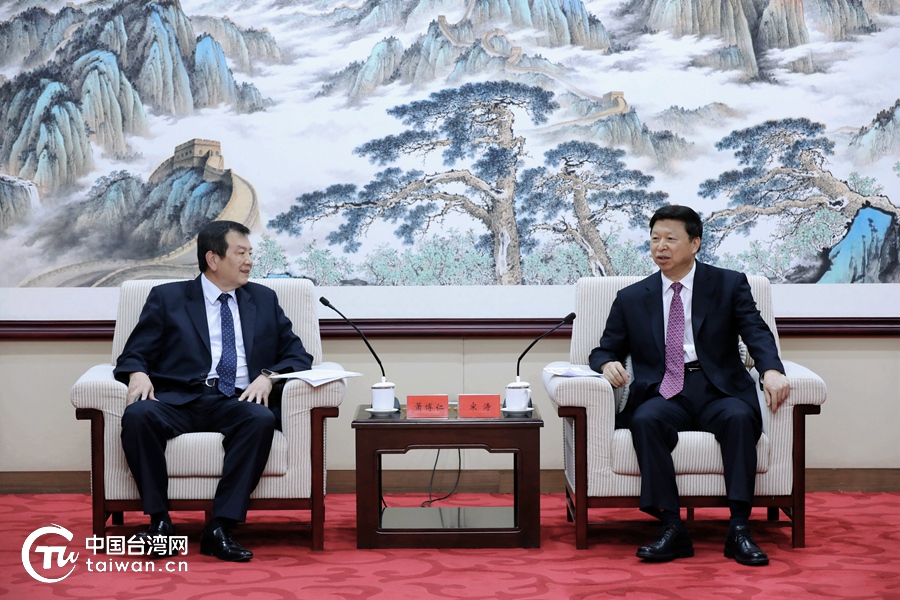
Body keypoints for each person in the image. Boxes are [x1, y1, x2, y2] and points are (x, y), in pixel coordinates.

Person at [589, 205, 790, 566]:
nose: (660, 246)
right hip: (666, 390)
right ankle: (671, 527)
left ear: (695, 243)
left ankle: (740, 528)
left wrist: (771, 370)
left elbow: (756, 332)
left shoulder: (729, 284)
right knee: (645, 420)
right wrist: (606, 363)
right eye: (654, 238)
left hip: (719, 388)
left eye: (670, 238)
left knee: (739, 418)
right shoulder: (632, 298)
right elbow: (604, 349)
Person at [115, 220, 313, 562]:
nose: (249, 261)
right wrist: (137, 373)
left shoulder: (263, 299)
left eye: (250, 253)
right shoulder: (168, 298)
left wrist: (268, 376)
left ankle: (220, 527)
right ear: (213, 258)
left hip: (236, 399)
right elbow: (134, 353)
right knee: (138, 415)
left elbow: (298, 355)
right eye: (241, 253)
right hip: (178, 399)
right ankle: (160, 523)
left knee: (260, 419)